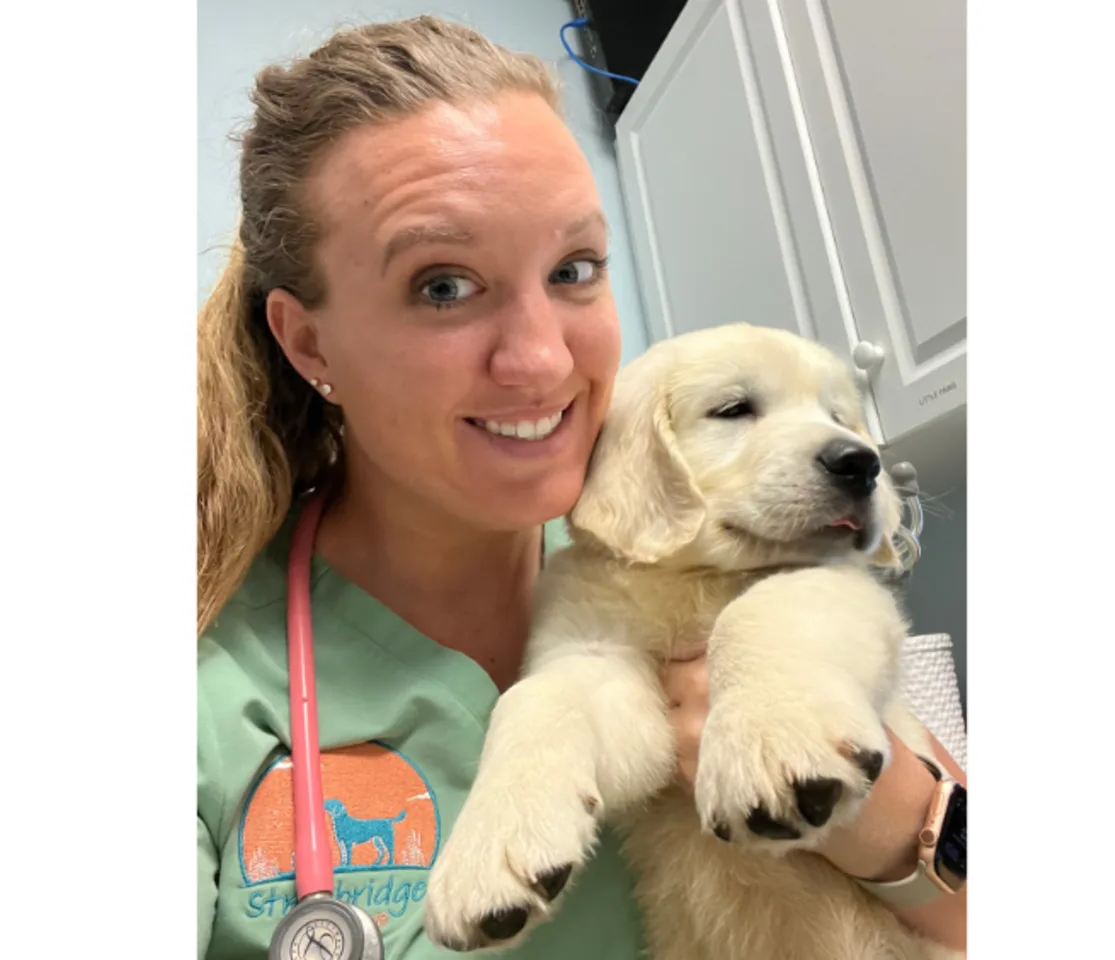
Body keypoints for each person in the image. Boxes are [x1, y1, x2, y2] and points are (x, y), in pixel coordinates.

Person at [196, 16, 966, 960]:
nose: (541, 357)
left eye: (574, 269)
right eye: (442, 285)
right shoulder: (208, 684)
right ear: (308, 342)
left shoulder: (694, 543)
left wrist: (896, 824)